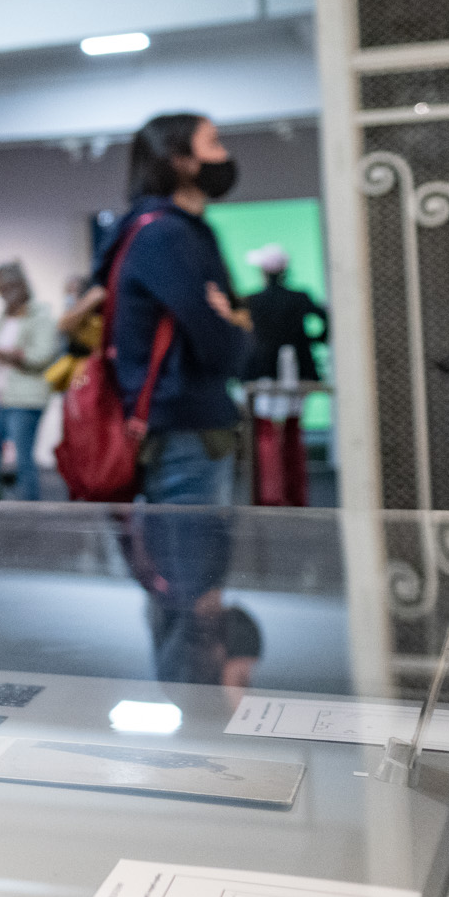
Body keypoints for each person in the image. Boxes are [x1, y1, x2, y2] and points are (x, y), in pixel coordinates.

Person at [101, 112, 254, 683]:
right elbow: (225, 348)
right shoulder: (169, 234)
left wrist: (231, 322)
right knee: (193, 588)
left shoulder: (151, 229)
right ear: (179, 160)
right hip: (188, 429)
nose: (223, 155)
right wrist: (236, 327)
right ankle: (198, 719)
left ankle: (195, 712)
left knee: (184, 582)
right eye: (213, 143)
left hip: (185, 426)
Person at [0, 260, 60, 501]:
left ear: (19, 284)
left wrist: (6, 354)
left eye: (5, 287)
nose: (2, 293)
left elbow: (42, 355)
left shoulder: (41, 315)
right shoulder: (3, 318)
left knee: (23, 461)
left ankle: (29, 518)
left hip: (25, 399)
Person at [241, 243, 326, 383]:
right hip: (300, 366)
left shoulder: (253, 300)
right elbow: (323, 318)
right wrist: (314, 340)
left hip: (262, 368)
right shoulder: (300, 298)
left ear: (263, 272)